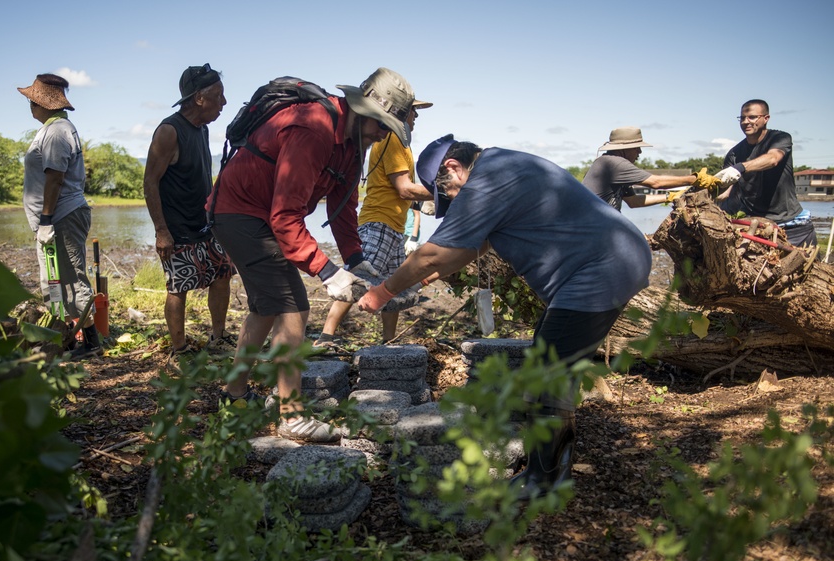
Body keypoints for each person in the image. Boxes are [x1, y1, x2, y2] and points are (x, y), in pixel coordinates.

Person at [359, 135, 652, 499]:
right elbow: (475, 243)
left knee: (548, 372)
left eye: (446, 192)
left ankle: (545, 481)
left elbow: (431, 255)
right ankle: (551, 467)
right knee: (549, 359)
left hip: (601, 267)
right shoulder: (501, 165)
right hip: (615, 255)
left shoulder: (486, 181)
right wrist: (437, 270)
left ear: (452, 167)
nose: (450, 199)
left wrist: (382, 291)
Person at [209, 67, 417, 443]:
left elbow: (343, 205)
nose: (382, 135)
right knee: (293, 305)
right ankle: (292, 417)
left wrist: (355, 260)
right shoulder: (314, 129)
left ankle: (234, 394)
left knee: (267, 306)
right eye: (380, 125)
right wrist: (327, 271)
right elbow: (285, 216)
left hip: (260, 216)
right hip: (239, 212)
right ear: (362, 108)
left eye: (389, 129)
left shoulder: (353, 146)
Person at [315, 99, 433, 350]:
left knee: (393, 286)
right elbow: (403, 188)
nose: (416, 117)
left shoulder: (403, 144)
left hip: (394, 226)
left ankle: (388, 341)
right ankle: (326, 338)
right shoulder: (392, 138)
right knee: (359, 277)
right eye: (413, 111)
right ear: (401, 112)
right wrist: (442, 193)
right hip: (379, 222)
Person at [144, 64, 235, 360]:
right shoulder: (169, 131)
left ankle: (218, 338)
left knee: (222, 275)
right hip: (177, 227)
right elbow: (150, 182)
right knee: (178, 286)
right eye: (218, 96)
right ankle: (180, 349)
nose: (224, 102)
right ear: (199, 98)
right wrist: (161, 231)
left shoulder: (203, 128)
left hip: (206, 223)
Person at [18, 73, 100, 358]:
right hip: (54, 218)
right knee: (53, 282)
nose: (29, 106)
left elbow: (55, 177)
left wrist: (46, 219)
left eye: (32, 101)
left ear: (43, 103)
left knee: (73, 279)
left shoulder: (56, 131)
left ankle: (92, 342)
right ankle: (67, 341)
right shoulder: (52, 129)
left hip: (61, 215)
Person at [715, 99, 816, 247]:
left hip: (791, 224)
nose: (746, 122)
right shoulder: (734, 154)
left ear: (766, 118)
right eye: (742, 118)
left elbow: (773, 159)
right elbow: (725, 193)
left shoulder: (780, 138)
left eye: (752, 117)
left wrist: (740, 168)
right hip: (758, 226)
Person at [582, 127, 697, 210]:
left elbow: (634, 202)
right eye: (636, 148)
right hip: (589, 231)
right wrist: (695, 179)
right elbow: (656, 182)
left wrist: (670, 196)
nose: (640, 152)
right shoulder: (614, 163)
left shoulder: (613, 165)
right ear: (624, 149)